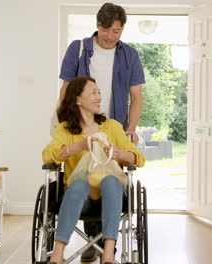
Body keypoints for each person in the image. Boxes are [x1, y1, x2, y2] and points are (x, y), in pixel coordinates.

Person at [57, 3, 145, 261]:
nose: (110, 36)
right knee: (84, 172)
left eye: (116, 31)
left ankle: (108, 245)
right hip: (83, 121)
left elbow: (137, 97)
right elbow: (66, 88)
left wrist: (130, 129)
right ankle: (91, 242)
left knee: (109, 177)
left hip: (113, 124)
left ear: (122, 30)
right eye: (106, 29)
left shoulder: (130, 55)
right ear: (97, 25)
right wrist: (66, 122)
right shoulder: (79, 48)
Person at [42, 76, 145, 264]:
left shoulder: (112, 126)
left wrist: (119, 153)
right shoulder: (65, 130)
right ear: (78, 100)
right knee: (79, 184)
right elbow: (47, 155)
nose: (99, 97)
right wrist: (78, 146)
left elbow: (138, 158)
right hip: (81, 200)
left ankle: (108, 255)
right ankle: (56, 257)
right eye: (93, 93)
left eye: (99, 92)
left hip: (113, 196)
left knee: (111, 181)